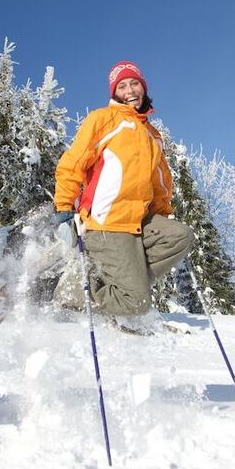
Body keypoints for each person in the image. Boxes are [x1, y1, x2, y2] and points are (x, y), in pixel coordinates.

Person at [52, 60, 194, 317]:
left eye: (134, 84)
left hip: (139, 220)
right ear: (114, 93)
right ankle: (70, 291)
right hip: (107, 222)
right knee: (137, 303)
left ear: (143, 87)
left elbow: (160, 181)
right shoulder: (103, 120)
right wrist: (63, 207)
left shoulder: (152, 134)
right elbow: (72, 163)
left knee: (180, 236)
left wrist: (162, 212)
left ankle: (122, 284)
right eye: (122, 86)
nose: (129, 91)